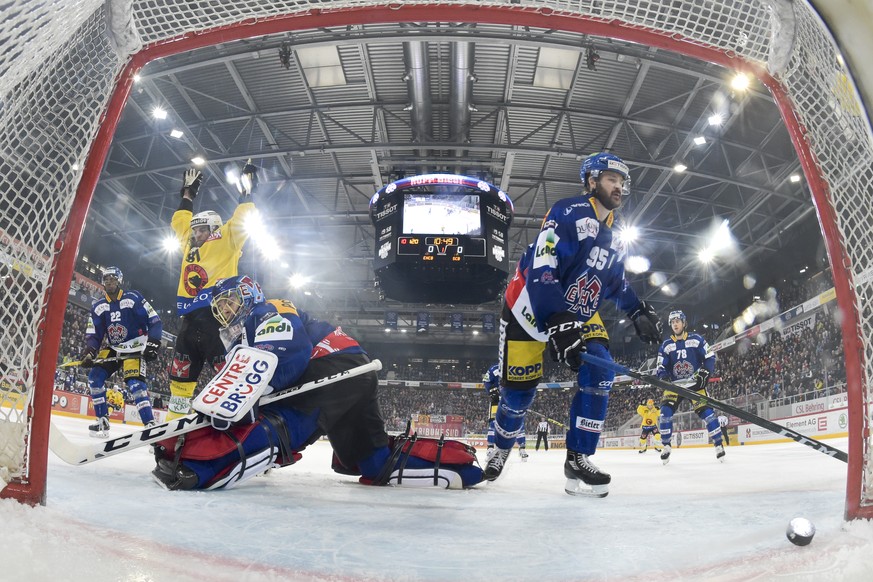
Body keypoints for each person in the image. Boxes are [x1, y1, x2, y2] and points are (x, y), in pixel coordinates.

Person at [152, 275, 483, 490]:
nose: (225, 309)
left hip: (335, 367)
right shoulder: (244, 332)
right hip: (353, 370)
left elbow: (289, 355)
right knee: (372, 462)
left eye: (230, 301)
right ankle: (461, 469)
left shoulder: (268, 310)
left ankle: (200, 467)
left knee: (284, 424)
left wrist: (248, 398)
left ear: (249, 295)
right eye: (221, 305)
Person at [485, 152, 662, 497]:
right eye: (612, 179)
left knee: (601, 371)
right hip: (528, 311)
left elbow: (613, 283)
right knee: (518, 396)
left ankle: (578, 457)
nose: (619, 187)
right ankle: (501, 445)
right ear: (592, 181)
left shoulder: (611, 234)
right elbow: (543, 267)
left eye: (622, 181)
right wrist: (558, 320)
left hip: (578, 312)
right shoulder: (567, 212)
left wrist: (637, 309)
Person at [167, 161, 259, 420]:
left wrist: (247, 192)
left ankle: (237, 430)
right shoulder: (188, 241)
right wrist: (187, 194)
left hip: (219, 321)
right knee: (179, 384)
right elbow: (181, 220)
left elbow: (242, 218)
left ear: (214, 228)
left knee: (229, 380)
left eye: (201, 229)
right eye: (195, 230)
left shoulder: (227, 238)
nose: (195, 233)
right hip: (188, 322)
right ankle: (172, 435)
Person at [81, 266, 162, 437]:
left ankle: (150, 425)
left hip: (135, 347)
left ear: (120, 280)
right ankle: (102, 420)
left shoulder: (133, 298)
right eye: (106, 278)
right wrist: (90, 352)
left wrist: (153, 343)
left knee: (135, 385)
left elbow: (155, 320)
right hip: (114, 347)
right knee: (94, 379)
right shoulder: (98, 306)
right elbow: (94, 333)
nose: (109, 280)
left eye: (113, 277)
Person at [656, 310, 724, 464]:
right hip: (675, 386)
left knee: (708, 413)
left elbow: (709, 356)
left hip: (694, 383)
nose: (675, 324)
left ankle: (718, 445)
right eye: (672, 322)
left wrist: (705, 372)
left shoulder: (696, 339)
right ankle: (666, 445)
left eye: (677, 321)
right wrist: (663, 376)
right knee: (665, 413)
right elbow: (660, 365)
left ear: (684, 322)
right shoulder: (666, 345)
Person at [485, 363, 528, 460]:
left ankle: (522, 448)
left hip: (513, 401)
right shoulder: (493, 369)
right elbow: (486, 380)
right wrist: (491, 390)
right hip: (496, 401)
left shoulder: (516, 369)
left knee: (518, 423)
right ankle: (490, 448)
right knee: (493, 423)